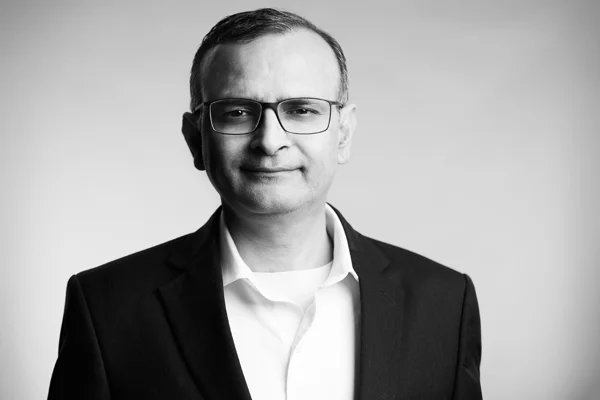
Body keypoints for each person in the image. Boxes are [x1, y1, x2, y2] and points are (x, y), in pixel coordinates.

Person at [48, 8, 482, 400]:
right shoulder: (108, 308)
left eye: (302, 110)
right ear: (195, 139)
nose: (270, 141)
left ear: (344, 134)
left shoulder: (444, 303)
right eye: (238, 112)